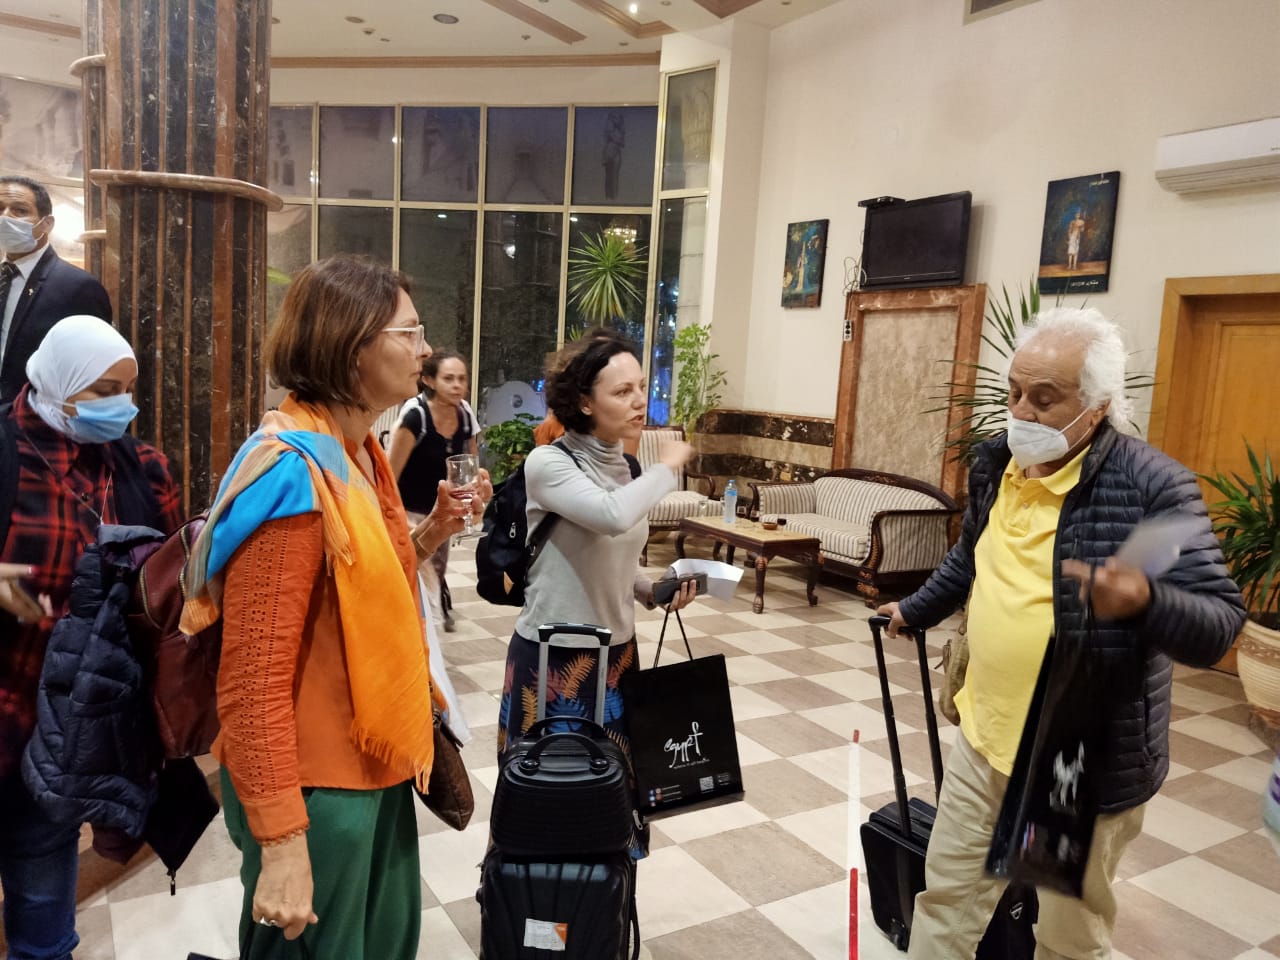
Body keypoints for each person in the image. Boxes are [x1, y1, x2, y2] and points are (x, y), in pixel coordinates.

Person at [877, 306, 1246, 960]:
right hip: (984, 740)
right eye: (1014, 392)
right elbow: (972, 555)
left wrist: (1147, 600)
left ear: (1097, 408)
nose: (1021, 411)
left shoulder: (1151, 487)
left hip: (1072, 763)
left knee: (1065, 938)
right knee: (946, 904)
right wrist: (916, 608)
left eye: (1044, 399)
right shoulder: (997, 463)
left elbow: (1218, 622)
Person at [179, 256, 490, 959]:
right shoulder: (292, 474)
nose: (425, 351)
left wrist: (434, 530)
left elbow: (360, 586)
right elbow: (252, 680)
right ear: (353, 349)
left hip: (374, 759)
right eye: (409, 333)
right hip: (316, 789)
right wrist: (282, 841)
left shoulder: (355, 450)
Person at [0, 315, 181, 960]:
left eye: (128, 389)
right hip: (6, 703)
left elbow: (169, 590)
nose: (122, 406)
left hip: (65, 742)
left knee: (44, 926)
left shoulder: (143, 470)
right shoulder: (7, 454)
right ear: (58, 381)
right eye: (103, 391)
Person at [498, 333, 697, 759]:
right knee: (550, 782)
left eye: (641, 386)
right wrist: (668, 467)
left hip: (618, 653)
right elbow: (611, 515)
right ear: (585, 402)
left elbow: (614, 552)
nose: (639, 401)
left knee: (616, 783)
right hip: (555, 654)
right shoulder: (549, 463)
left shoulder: (629, 469)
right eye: (622, 392)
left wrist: (649, 589)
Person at [387, 349, 480, 633]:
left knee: (434, 576)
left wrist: (473, 491)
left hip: (441, 513)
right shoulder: (416, 417)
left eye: (462, 379)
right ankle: (420, 634)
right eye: (448, 378)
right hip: (409, 513)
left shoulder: (465, 414)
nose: (457, 385)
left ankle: (426, 636)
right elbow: (389, 475)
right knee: (416, 581)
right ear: (429, 380)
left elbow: (471, 461)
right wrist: (393, 518)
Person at [0, 175, 113, 404]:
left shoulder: (78, 287)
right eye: (0, 209)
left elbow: (92, 371)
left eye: (20, 210)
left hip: (32, 419)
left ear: (47, 224)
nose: (5, 217)